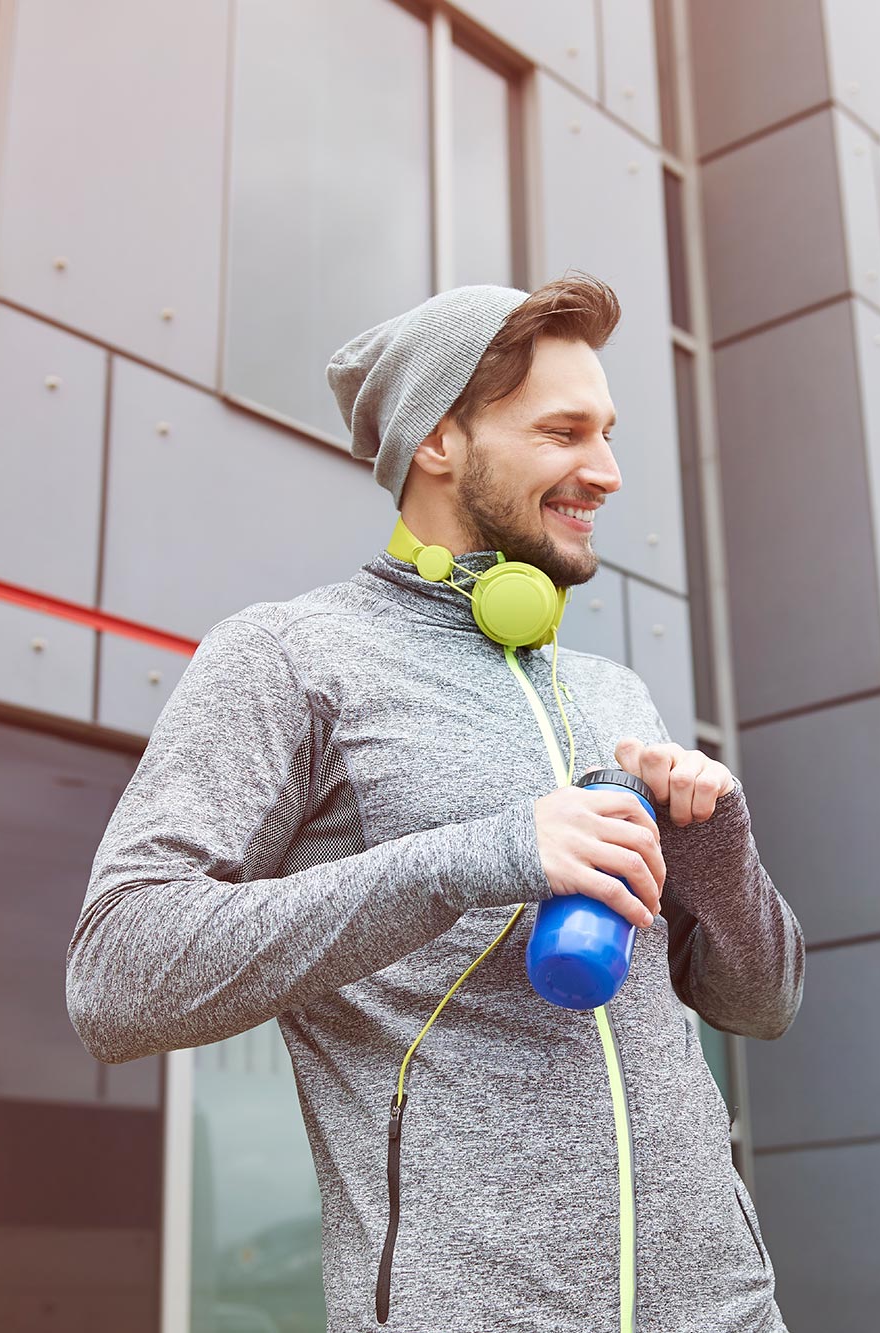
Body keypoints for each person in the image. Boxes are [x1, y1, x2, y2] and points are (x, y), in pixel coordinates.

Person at [68, 275, 803, 1332]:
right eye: (563, 431)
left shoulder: (609, 691)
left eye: (606, 432)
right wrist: (479, 854)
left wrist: (718, 850)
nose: (605, 470)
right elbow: (117, 976)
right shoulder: (290, 657)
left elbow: (760, 1005)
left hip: (726, 1313)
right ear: (437, 441)